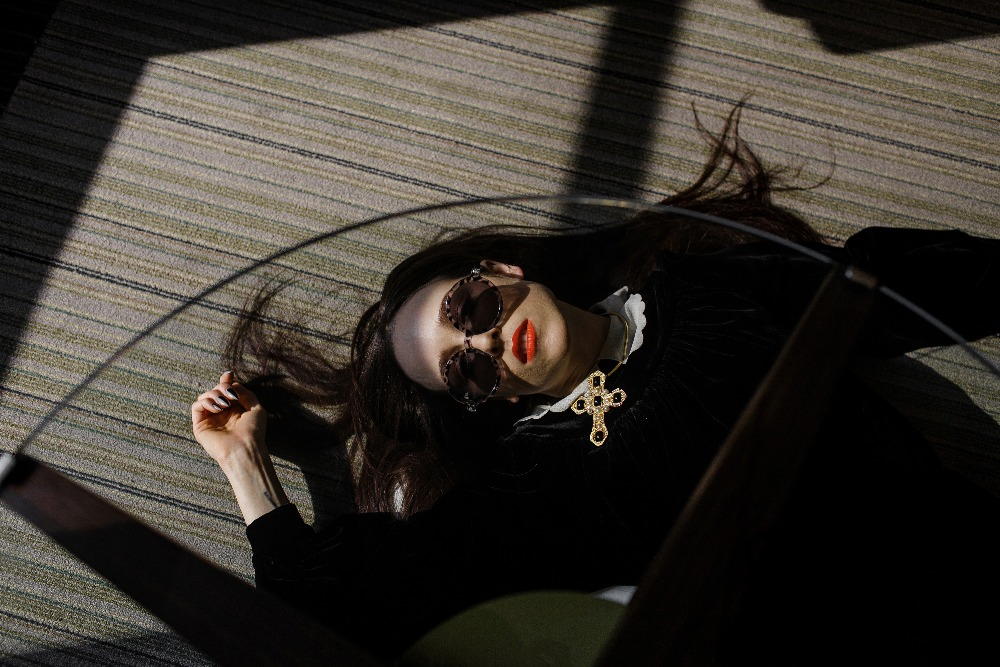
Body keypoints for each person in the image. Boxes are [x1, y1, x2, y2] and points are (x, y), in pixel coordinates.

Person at [192, 106, 1000, 663]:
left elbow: (877, 287)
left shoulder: (698, 290)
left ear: (501, 269)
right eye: (465, 367)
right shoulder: (531, 483)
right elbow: (340, 611)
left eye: (468, 307)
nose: (483, 339)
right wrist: (246, 465)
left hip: (953, 560)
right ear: (493, 398)